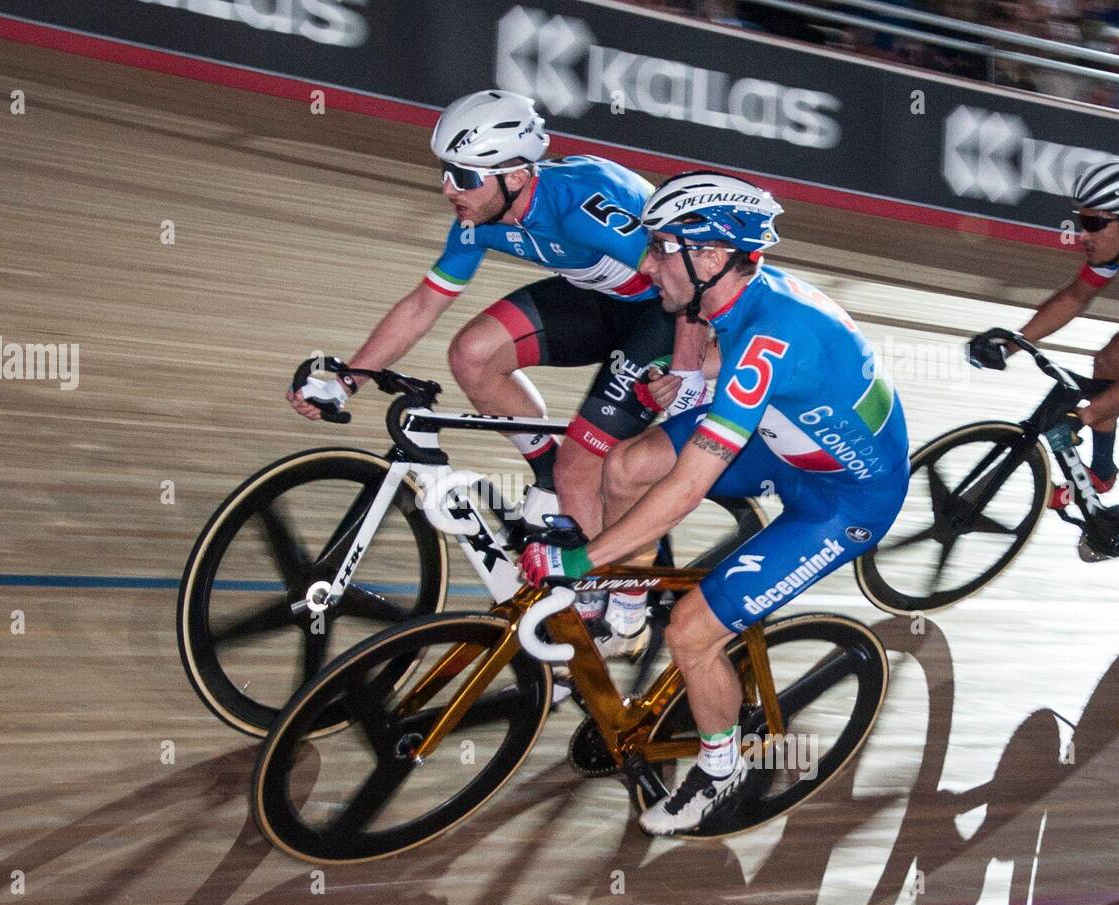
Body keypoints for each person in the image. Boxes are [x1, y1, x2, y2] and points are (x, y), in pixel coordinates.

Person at [519, 172, 911, 835]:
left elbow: (688, 488)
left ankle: (719, 770)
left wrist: (582, 556)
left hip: (844, 499)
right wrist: (689, 378)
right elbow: (712, 372)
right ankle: (626, 614)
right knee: (627, 464)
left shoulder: (768, 338)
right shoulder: (728, 297)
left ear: (709, 256)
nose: (649, 263)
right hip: (786, 444)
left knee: (694, 631)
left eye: (662, 247)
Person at [288, 89, 710, 651]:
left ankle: (627, 609)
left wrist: (685, 372)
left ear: (514, 175)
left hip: (662, 310)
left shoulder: (585, 204)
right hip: (597, 298)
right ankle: (549, 469)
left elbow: (689, 288)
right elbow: (423, 306)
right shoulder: (479, 218)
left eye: (463, 176)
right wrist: (349, 378)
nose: (447, 189)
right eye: (446, 172)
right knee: (472, 353)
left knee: (588, 464)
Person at [968, 159, 1119, 508]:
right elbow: (1075, 296)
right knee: (1111, 359)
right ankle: (1101, 472)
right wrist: (1010, 345)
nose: (1084, 234)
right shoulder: (1110, 248)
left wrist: (1084, 417)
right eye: (1083, 220)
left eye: (1095, 223)